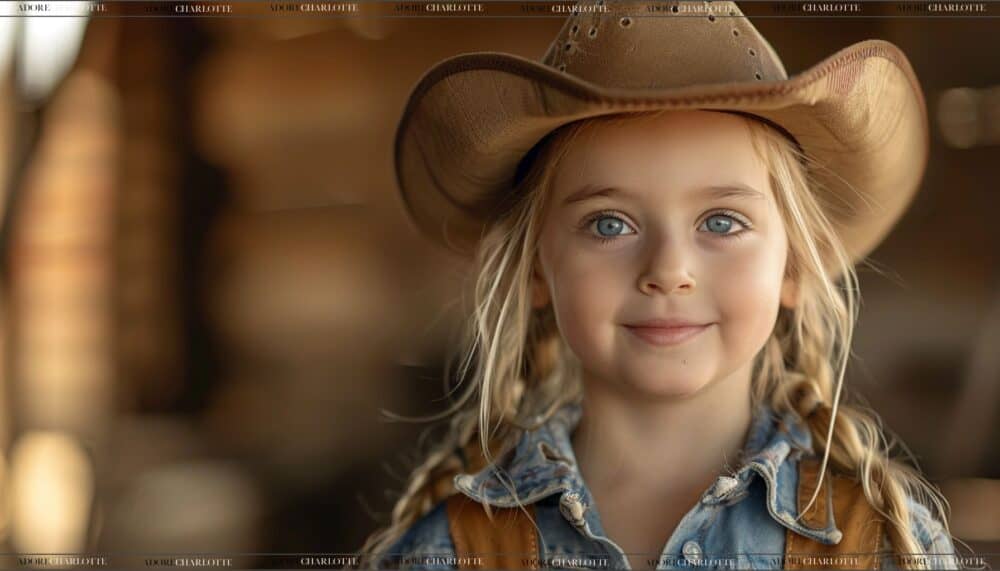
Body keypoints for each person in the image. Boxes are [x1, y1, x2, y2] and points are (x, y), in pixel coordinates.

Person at [361, 1, 961, 569]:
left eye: (722, 222)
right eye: (609, 223)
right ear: (537, 268)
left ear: (795, 265)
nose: (669, 270)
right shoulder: (450, 551)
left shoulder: (881, 544)